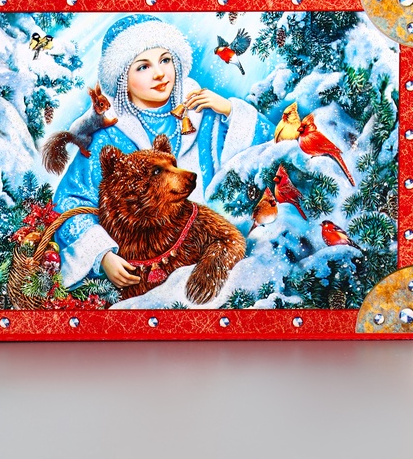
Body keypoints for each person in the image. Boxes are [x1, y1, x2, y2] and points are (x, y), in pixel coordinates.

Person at [53, 15, 273, 291]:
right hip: (139, 266)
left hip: (208, 249)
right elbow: (69, 202)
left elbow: (271, 150)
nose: (159, 73)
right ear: (121, 78)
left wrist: (230, 111)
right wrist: (102, 254)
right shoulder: (109, 137)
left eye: (165, 60)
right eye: (143, 66)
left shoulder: (203, 113)